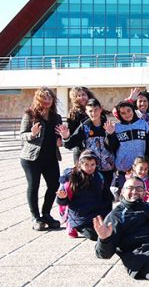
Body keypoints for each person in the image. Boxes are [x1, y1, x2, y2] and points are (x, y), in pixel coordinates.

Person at [20, 87, 63, 231]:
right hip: (32, 158)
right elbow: (22, 135)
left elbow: (58, 135)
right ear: (38, 99)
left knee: (54, 185)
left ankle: (46, 214)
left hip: (50, 157)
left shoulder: (56, 117)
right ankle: (35, 217)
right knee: (34, 186)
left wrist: (60, 139)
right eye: (44, 98)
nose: (47, 101)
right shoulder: (30, 115)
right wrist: (32, 134)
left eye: (50, 98)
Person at [56, 150, 110, 239]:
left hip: (97, 213)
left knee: (110, 232)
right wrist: (62, 198)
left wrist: (108, 214)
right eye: (86, 165)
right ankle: (71, 224)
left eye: (92, 164)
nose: (90, 168)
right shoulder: (71, 178)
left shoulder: (99, 177)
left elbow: (105, 197)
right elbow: (62, 202)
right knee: (94, 236)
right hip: (80, 217)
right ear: (80, 164)